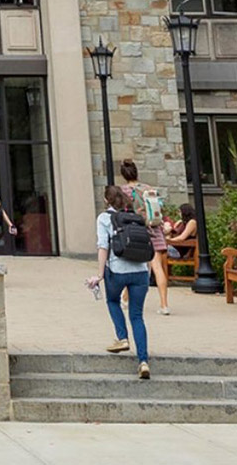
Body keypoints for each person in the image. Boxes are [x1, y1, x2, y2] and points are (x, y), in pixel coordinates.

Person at [89, 186, 150, 380]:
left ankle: (122, 338)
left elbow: (103, 247)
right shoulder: (136, 217)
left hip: (117, 271)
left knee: (113, 301)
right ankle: (143, 361)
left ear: (106, 200)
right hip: (140, 271)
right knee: (137, 316)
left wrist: (99, 275)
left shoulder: (104, 218)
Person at [120, 159, 170, 315]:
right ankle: (164, 305)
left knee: (134, 267)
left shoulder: (123, 191)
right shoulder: (149, 189)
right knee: (158, 268)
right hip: (155, 230)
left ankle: (126, 299)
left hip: (137, 232)